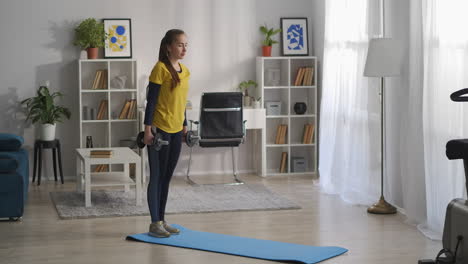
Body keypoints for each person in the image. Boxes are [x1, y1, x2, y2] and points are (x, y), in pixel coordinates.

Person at [143, 29, 189, 238]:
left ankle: (162, 220)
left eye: (186, 45)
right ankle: (154, 223)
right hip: (159, 130)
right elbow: (151, 102)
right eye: (180, 44)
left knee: (167, 178)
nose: (184, 48)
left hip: (176, 129)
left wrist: (185, 124)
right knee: (157, 177)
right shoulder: (159, 69)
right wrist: (147, 130)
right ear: (168, 46)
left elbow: (182, 102)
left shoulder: (185, 71)